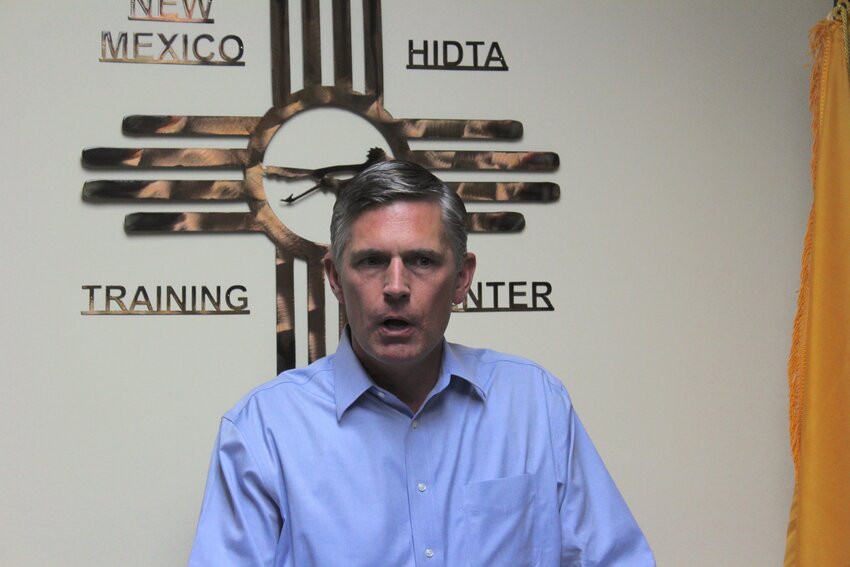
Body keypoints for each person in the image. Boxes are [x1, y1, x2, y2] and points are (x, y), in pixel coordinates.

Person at [188, 160, 655, 566]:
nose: (395, 286)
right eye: (371, 261)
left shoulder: (535, 406)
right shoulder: (264, 431)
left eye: (422, 261)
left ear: (462, 278)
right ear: (333, 277)